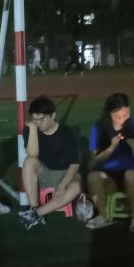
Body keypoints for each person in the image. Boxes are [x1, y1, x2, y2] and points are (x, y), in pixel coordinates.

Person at [85, 93, 134, 231]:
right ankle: (104, 216)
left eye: (125, 115)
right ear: (110, 114)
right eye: (117, 116)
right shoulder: (100, 127)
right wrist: (111, 148)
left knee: (131, 174)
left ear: (129, 110)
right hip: (109, 176)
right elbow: (95, 160)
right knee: (93, 177)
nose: (122, 119)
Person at [17, 96, 82, 230]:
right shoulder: (30, 130)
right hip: (45, 172)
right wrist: (33, 130)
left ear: (52, 115)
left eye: (42, 119)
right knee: (29, 162)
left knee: (76, 186)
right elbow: (32, 154)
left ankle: (36, 214)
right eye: (34, 119)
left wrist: (62, 185)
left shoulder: (65, 133)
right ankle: (34, 207)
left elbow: (75, 164)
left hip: (64, 173)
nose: (38, 123)